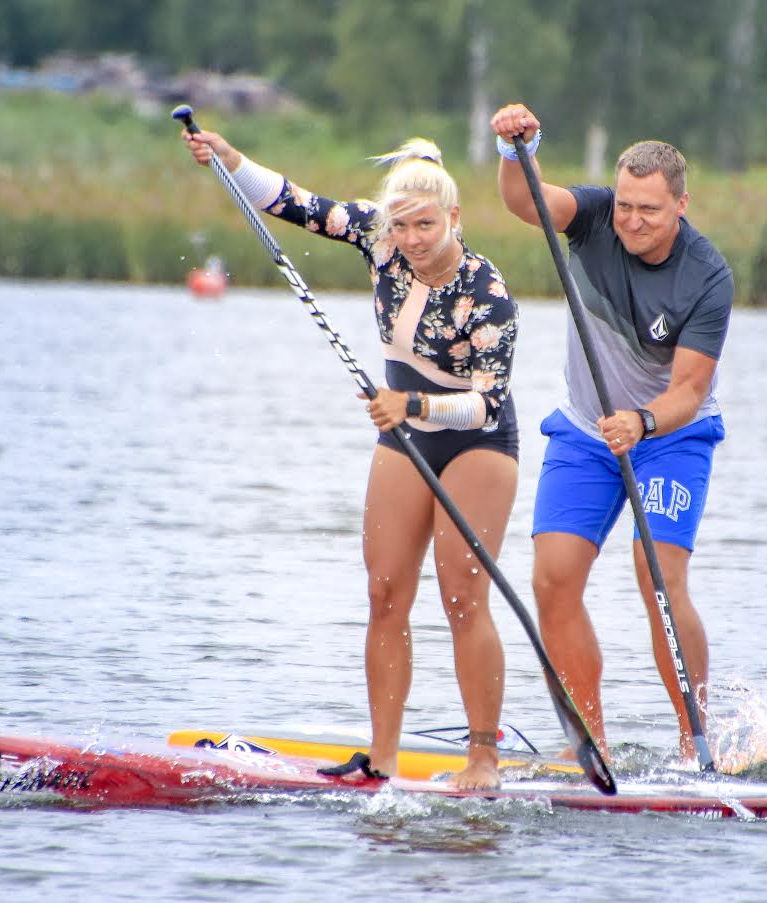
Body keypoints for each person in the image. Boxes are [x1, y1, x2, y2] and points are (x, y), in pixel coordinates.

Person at [183, 127, 519, 790]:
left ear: (454, 217)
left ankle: (482, 759)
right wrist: (230, 160)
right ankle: (382, 757)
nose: (413, 239)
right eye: (403, 226)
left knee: (461, 594)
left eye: (426, 225)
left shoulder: (488, 294)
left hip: (476, 439)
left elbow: (486, 402)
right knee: (384, 591)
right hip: (402, 427)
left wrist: (413, 407)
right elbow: (292, 202)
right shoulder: (376, 234)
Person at [490, 103, 733, 762]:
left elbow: (686, 390)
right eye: (624, 204)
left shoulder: (706, 277)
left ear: (681, 205)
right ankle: (587, 742)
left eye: (647, 210)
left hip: (672, 437)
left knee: (658, 580)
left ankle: (694, 739)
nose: (629, 219)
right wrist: (518, 152)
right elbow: (525, 202)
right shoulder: (594, 216)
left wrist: (643, 420)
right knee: (552, 578)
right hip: (585, 431)